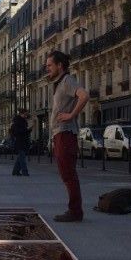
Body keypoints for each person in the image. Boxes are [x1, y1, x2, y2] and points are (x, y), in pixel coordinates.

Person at [46, 50, 89, 222]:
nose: (47, 68)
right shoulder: (58, 83)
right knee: (66, 174)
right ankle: (74, 209)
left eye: (50, 65)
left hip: (65, 133)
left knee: (68, 174)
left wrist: (71, 115)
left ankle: (75, 211)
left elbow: (84, 96)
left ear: (59, 66)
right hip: (60, 134)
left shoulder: (67, 81)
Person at [10, 109, 31, 176]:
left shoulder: (24, 121)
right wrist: (26, 129)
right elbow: (17, 132)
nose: (26, 115)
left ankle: (15, 171)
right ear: (21, 114)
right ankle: (25, 172)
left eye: (26, 114)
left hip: (24, 141)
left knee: (20, 157)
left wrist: (30, 129)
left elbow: (26, 132)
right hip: (19, 141)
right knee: (22, 158)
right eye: (25, 114)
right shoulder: (16, 121)